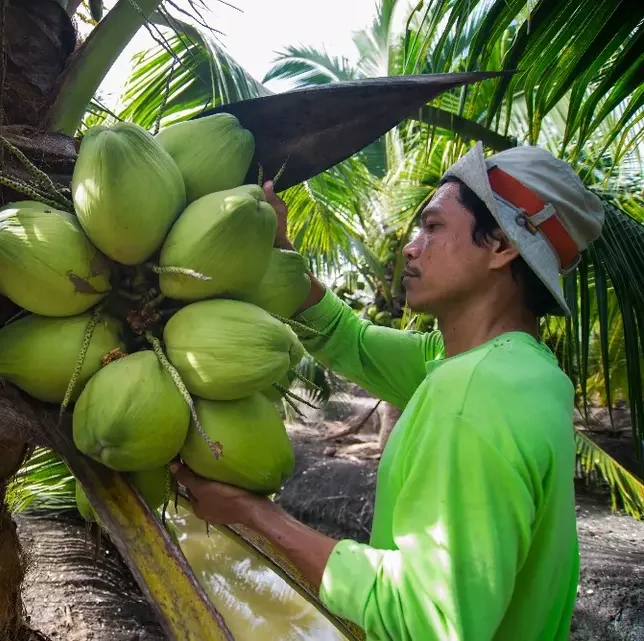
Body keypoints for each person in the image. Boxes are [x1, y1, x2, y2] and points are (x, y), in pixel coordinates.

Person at [170, 141, 607, 640]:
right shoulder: (520, 371)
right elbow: (348, 340)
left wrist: (254, 514)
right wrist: (282, 253)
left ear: (502, 247)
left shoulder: (474, 393)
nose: (410, 245)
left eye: (435, 226)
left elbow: (427, 619)